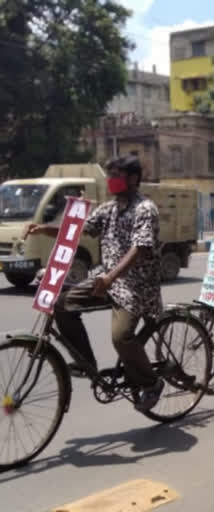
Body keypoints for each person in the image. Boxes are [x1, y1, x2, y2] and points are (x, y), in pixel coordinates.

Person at [24, 156, 164, 411]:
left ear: (133, 178)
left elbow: (140, 248)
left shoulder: (145, 209)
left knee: (121, 337)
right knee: (62, 304)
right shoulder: (109, 208)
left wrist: (112, 277)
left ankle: (151, 383)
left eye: (117, 175)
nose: (111, 180)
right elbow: (80, 229)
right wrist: (44, 229)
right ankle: (85, 362)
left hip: (136, 285)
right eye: (110, 175)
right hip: (105, 278)